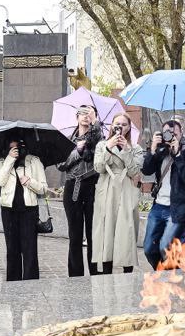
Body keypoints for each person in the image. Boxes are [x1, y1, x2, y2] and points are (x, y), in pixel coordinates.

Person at [92, 114, 143, 273]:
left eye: (124, 124)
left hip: (126, 189)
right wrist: (108, 148)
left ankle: (127, 272)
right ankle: (106, 271)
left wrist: (125, 151)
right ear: (112, 126)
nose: (120, 127)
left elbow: (135, 171)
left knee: (126, 229)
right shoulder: (102, 145)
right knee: (106, 229)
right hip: (107, 189)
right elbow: (98, 168)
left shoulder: (136, 148)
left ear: (129, 127)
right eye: (117, 124)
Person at [141, 119, 185, 268]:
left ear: (181, 132)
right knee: (149, 249)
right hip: (158, 206)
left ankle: (172, 280)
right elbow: (146, 170)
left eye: (173, 133)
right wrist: (152, 150)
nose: (170, 136)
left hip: (177, 208)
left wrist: (177, 154)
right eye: (166, 133)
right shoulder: (161, 150)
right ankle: (163, 274)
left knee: (165, 246)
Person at [59, 104, 103, 276]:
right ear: (76, 116)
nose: (86, 116)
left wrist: (95, 126)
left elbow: (101, 155)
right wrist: (77, 150)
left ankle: (96, 272)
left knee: (93, 234)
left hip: (93, 185)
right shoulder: (67, 139)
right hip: (73, 188)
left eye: (90, 113)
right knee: (75, 235)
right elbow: (60, 164)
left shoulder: (99, 137)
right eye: (82, 113)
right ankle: (75, 275)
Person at [0, 138, 47, 281]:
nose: (15, 150)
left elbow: (43, 188)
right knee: (12, 250)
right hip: (8, 210)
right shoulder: (2, 161)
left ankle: (31, 282)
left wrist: (30, 182)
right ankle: (13, 283)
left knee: (30, 249)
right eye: (11, 148)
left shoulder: (34, 161)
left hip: (29, 211)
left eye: (17, 147)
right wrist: (9, 160)